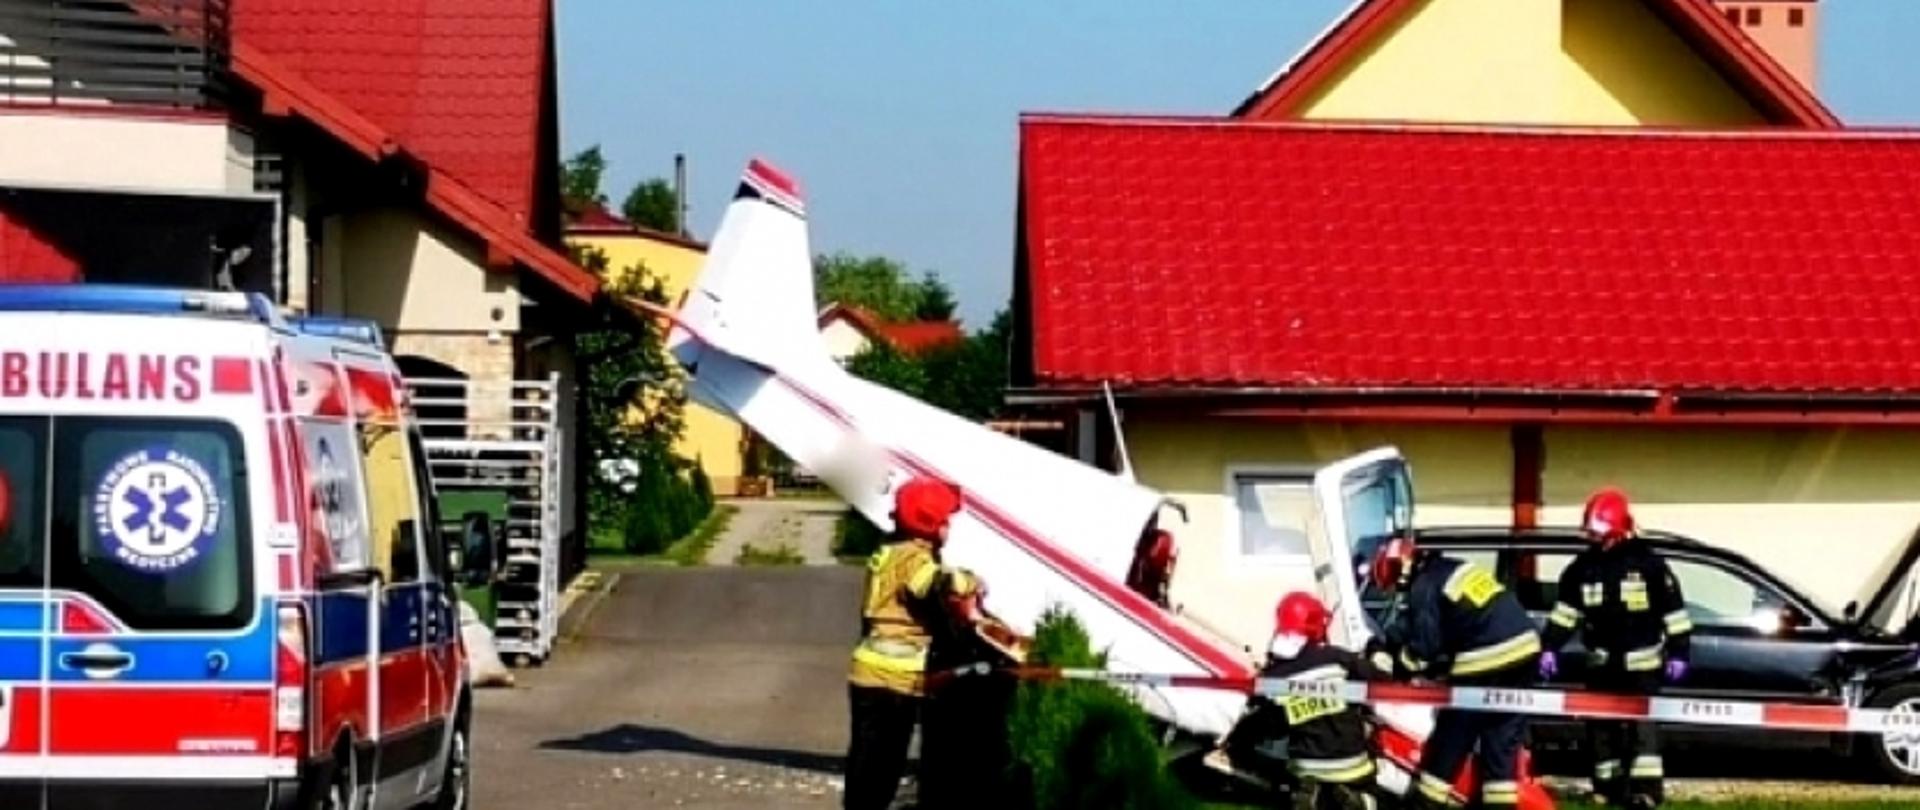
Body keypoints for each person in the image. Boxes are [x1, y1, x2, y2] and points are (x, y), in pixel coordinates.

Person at [1538, 488, 1691, 810]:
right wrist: (1550, 647)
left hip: (1642, 667)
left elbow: (1674, 615)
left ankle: (1645, 793)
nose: (1595, 540)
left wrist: (1679, 653)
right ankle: (1607, 790)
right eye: (1592, 535)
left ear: (1620, 531)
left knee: (1642, 734)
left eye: (1601, 534)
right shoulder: (1581, 569)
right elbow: (1565, 616)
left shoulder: (1649, 566)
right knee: (1600, 732)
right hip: (1601, 665)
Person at [843, 475, 983, 810]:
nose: (949, 528)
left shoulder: (890, 551)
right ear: (930, 524)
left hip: (870, 672)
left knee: (866, 763)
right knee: (881, 768)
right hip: (892, 682)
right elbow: (935, 585)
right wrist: (970, 582)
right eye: (946, 521)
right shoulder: (915, 559)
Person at [1371, 535, 1541, 809]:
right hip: (1526, 652)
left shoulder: (1423, 585)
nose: (1395, 586)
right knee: (1501, 739)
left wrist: (1397, 667)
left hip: (1486, 657)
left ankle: (1427, 801)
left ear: (1402, 565)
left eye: (1391, 575)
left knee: (1452, 732)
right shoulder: (1451, 568)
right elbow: (1427, 622)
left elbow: (1423, 649)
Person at [1212, 591, 1389, 810]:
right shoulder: (1336, 658)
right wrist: (1378, 652)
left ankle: (1312, 795)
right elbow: (1380, 679)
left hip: (1305, 767)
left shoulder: (1274, 679)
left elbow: (1265, 724)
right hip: (1352, 765)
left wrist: (1234, 744)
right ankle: (1359, 800)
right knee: (1374, 799)